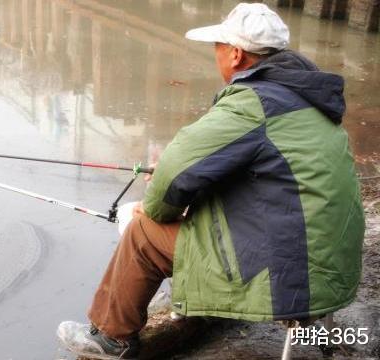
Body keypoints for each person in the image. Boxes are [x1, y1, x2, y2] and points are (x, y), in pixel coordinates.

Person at [56, 3, 364, 359]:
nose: (215, 54)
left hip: (289, 277)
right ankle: (323, 340)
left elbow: (173, 174)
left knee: (143, 233)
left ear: (235, 54)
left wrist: (154, 208)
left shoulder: (251, 104)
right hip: (333, 271)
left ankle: (111, 338)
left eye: (218, 46)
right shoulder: (310, 101)